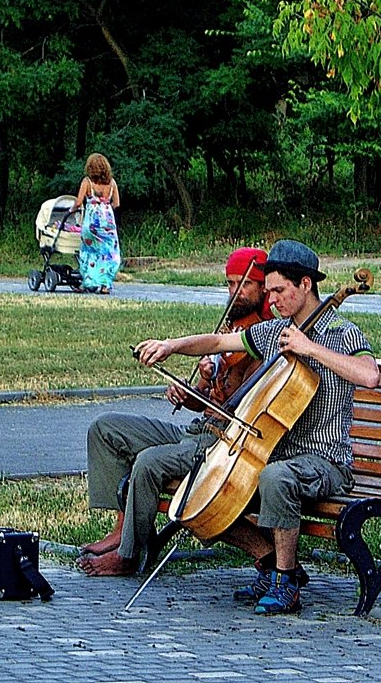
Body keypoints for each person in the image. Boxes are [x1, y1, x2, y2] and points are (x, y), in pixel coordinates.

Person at [133, 240, 380, 614]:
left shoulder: (342, 333)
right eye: (269, 292)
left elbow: (369, 375)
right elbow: (218, 340)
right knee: (209, 491)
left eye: (280, 290)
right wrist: (171, 345)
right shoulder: (275, 331)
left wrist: (310, 349)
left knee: (275, 478)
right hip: (275, 453)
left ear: (306, 285)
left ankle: (285, 584)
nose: (273, 300)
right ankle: (271, 562)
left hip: (325, 459)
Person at [77, 247, 272, 578]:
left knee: (150, 461)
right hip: (199, 428)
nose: (233, 293)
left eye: (244, 284)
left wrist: (209, 370)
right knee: (106, 429)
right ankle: (122, 527)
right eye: (228, 283)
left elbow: (245, 404)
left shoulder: (263, 335)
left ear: (264, 287)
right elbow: (210, 399)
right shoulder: (231, 328)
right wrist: (192, 393)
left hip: (223, 442)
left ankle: (128, 554)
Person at [70, 153, 120, 294]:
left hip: (91, 223)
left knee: (89, 252)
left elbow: (79, 202)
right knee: (108, 252)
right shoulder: (112, 183)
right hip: (108, 223)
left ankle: (87, 283)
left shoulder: (87, 182)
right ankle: (105, 285)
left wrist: (72, 210)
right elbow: (116, 204)